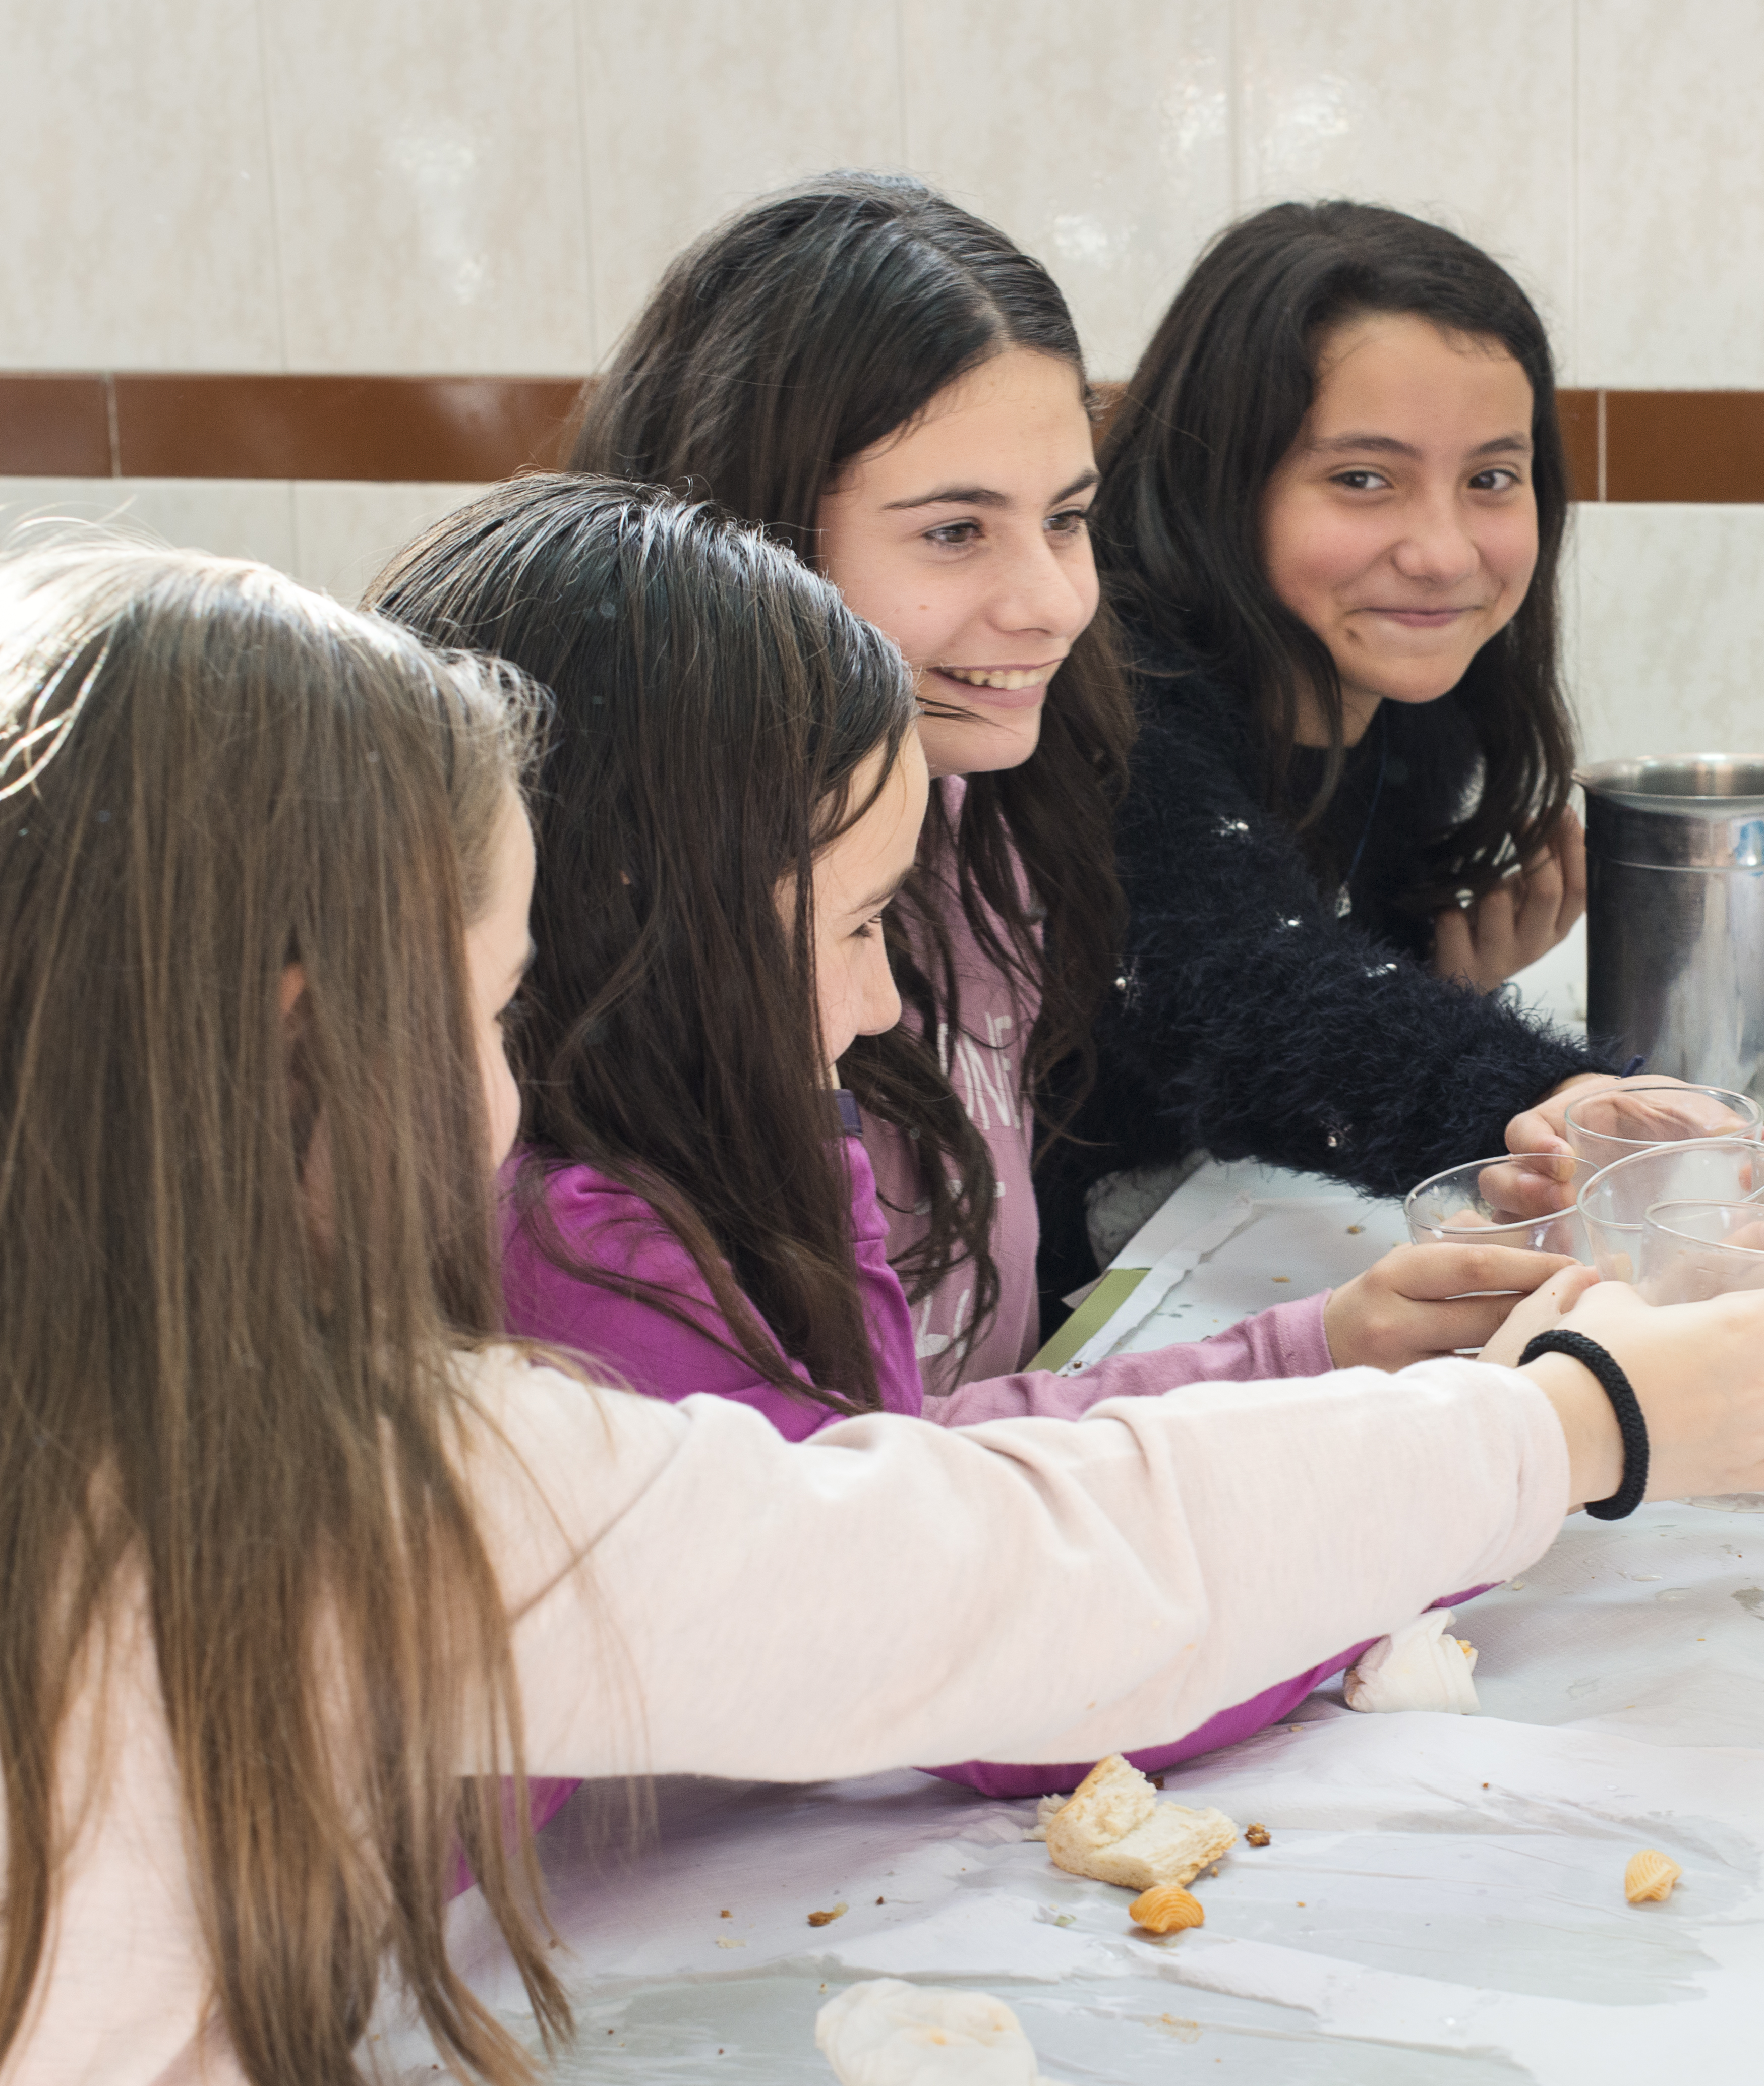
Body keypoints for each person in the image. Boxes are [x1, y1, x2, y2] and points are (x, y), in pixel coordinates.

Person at [0, 537, 1764, 2085]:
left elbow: (890, 1498)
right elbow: (993, 1577)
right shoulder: (375, 1486)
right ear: (303, 1030)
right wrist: (1569, 1421)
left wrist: (1321, 1359)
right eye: (486, 1015)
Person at [369, 473, 1577, 1795]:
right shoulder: (584, 1262)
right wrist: (1542, 1441)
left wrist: (1308, 1354)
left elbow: (912, 1487)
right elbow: (991, 1660)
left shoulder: (661, 1149)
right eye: (850, 927)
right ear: (636, 920)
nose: (885, 996)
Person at [572, 175, 1630, 1335]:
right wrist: (1536, 1099)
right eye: (953, 530)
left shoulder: (989, 801)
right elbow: (1236, 987)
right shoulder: (1081, 730)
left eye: (1066, 519)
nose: (1053, 605)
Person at [1081, 199, 1630, 1267]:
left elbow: (1321, 979)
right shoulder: (1112, 704)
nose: (1442, 550)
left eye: (1490, 479)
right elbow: (1248, 994)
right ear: (1218, 487)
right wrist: (1556, 1101)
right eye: (1362, 479)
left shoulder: (1419, 705)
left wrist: (1427, 977)